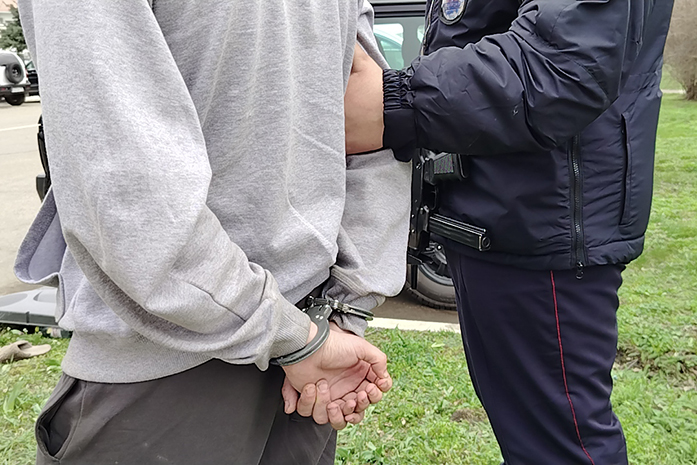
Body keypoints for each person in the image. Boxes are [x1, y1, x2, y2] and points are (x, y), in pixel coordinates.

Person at [14, 1, 410, 464]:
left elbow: (128, 193)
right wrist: (337, 313)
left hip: (167, 375)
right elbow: (374, 121)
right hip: (305, 352)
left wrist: (306, 334)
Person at [345, 1, 675, 464]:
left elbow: (561, 67)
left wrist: (392, 101)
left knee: (558, 447)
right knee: (533, 437)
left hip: (542, 225)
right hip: (501, 215)